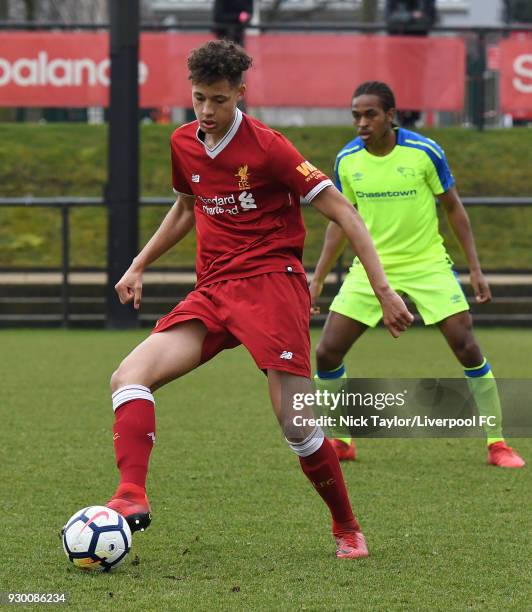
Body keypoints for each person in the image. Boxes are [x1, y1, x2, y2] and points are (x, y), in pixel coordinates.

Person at [105, 43, 413, 560]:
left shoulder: (270, 148)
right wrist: (138, 264)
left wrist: (382, 289)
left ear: (240, 94)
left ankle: (346, 526)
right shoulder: (184, 142)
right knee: (127, 377)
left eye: (219, 100)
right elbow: (187, 208)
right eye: (199, 99)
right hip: (213, 290)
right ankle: (131, 494)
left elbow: (345, 213)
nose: (206, 111)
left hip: (272, 284)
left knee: (296, 423)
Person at [310, 81, 525, 469]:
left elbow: (454, 209)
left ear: (390, 115)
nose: (362, 122)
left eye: (370, 114)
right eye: (356, 115)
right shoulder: (346, 160)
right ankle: (341, 439)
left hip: (427, 264)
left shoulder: (425, 151)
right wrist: (318, 278)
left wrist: (475, 268)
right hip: (370, 269)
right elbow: (340, 223)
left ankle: (498, 444)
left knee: (466, 345)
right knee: (326, 352)